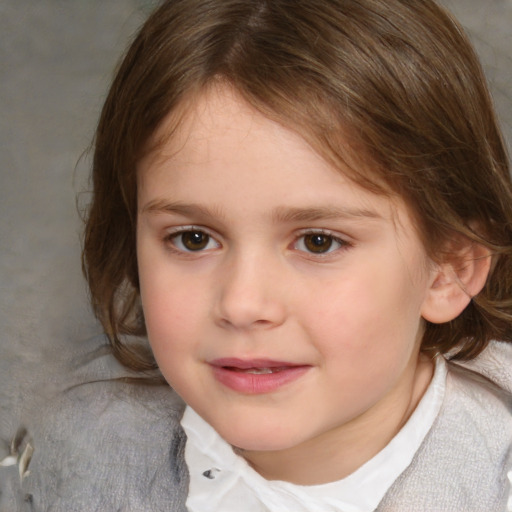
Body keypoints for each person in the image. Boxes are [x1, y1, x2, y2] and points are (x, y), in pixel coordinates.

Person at [15, 0, 512, 510]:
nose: (242, 303)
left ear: (450, 269)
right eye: (193, 239)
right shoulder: (71, 449)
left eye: (319, 241)